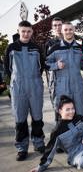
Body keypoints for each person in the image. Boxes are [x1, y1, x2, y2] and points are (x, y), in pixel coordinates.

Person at [4, 21, 45, 161]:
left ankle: (39, 144)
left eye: (28, 31)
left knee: (37, 117)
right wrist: (16, 81)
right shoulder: (11, 48)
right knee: (20, 119)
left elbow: (42, 67)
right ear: (18, 31)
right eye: (23, 31)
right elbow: (7, 69)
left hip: (35, 84)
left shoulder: (36, 48)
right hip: (18, 86)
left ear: (32, 32)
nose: (26, 34)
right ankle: (22, 148)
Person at [46, 22, 83, 120]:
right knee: (64, 114)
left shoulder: (79, 48)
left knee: (80, 112)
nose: (68, 32)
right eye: (66, 30)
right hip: (62, 87)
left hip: (78, 86)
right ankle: (63, 135)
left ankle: (82, 134)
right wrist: (56, 65)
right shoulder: (55, 48)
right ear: (62, 31)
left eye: (70, 29)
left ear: (74, 30)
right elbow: (45, 64)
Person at [44, 17, 63, 106]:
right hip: (55, 80)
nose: (58, 27)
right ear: (52, 27)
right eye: (55, 25)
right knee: (58, 106)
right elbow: (45, 63)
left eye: (59, 25)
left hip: (70, 78)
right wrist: (56, 65)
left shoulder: (70, 40)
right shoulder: (49, 44)